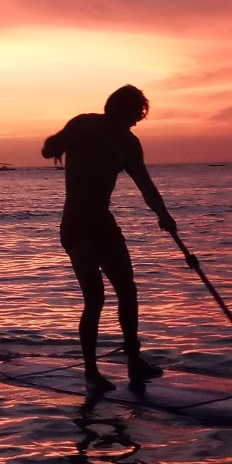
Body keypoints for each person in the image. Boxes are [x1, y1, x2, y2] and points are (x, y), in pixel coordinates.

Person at [42, 85, 175, 391]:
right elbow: (48, 150)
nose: (136, 121)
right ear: (119, 109)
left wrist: (164, 216)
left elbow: (146, 184)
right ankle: (91, 372)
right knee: (95, 298)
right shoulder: (84, 123)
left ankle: (134, 358)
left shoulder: (128, 142)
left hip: (103, 221)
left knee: (128, 290)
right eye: (134, 115)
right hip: (76, 223)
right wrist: (69, 139)